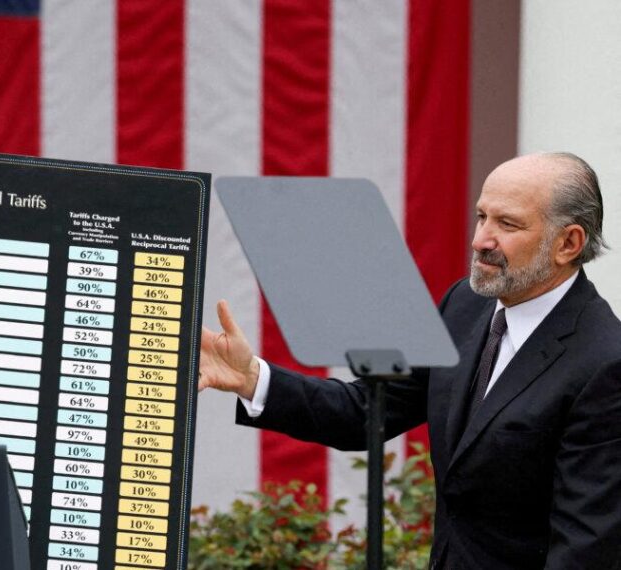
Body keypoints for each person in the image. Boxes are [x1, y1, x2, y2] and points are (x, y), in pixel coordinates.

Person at [199, 152, 621, 569]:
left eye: (507, 224)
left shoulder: (605, 363)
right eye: (481, 217)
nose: (480, 241)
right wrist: (251, 378)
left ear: (568, 243)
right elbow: (368, 410)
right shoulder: (465, 304)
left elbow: (586, 547)